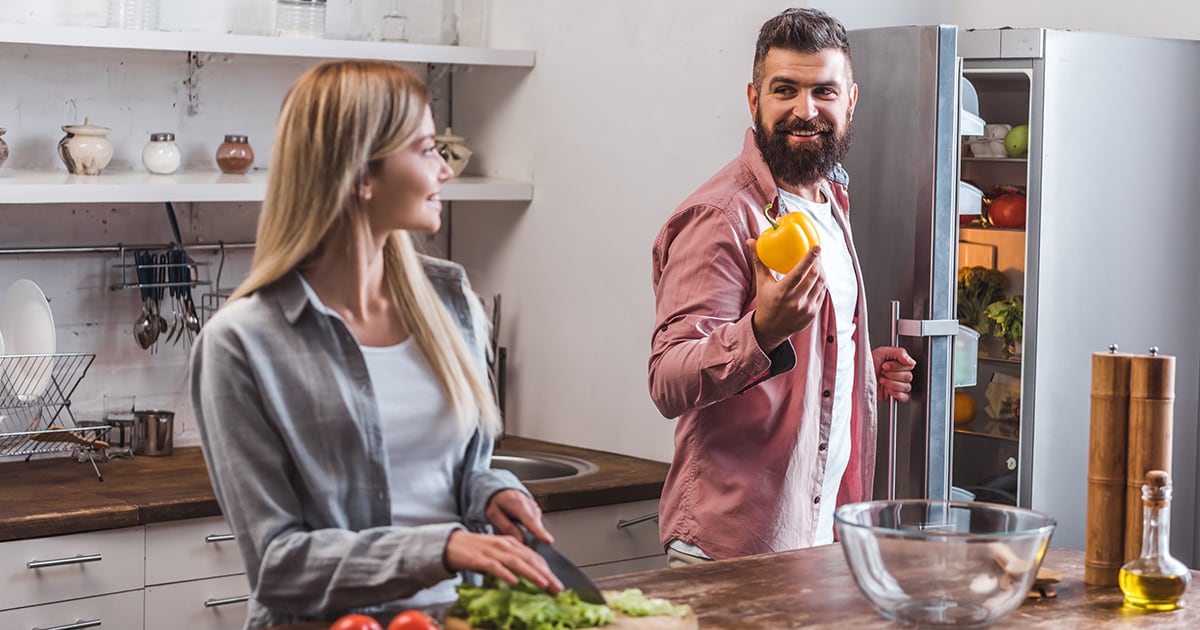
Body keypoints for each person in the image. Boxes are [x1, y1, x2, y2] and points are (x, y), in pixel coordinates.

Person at [190, 60, 561, 629]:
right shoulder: (241, 344)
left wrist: (491, 493)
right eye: (425, 149)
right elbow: (277, 563)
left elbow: (465, 469)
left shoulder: (451, 300)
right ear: (362, 173)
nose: (443, 169)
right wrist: (441, 548)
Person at [648, 8, 917, 565]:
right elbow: (668, 379)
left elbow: (803, 354)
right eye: (785, 89)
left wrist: (854, 367)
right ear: (754, 99)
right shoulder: (721, 215)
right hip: (729, 550)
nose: (805, 109)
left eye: (823, 91)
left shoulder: (828, 200)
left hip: (815, 540)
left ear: (850, 100)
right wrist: (762, 330)